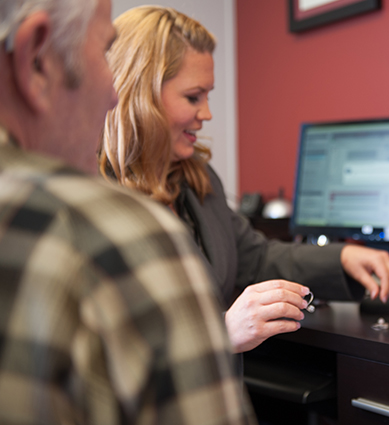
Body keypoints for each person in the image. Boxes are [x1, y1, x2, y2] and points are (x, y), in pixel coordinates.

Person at [0, 0, 255, 423]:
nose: (112, 90)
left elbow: (251, 251)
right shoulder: (115, 228)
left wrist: (338, 259)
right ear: (35, 59)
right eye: (103, 52)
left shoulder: (195, 179)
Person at [99, 5, 389, 354]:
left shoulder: (196, 179)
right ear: (141, 94)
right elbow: (109, 349)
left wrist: (342, 258)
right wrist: (221, 334)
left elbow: (255, 259)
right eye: (193, 97)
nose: (207, 114)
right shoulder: (92, 196)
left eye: (208, 96)